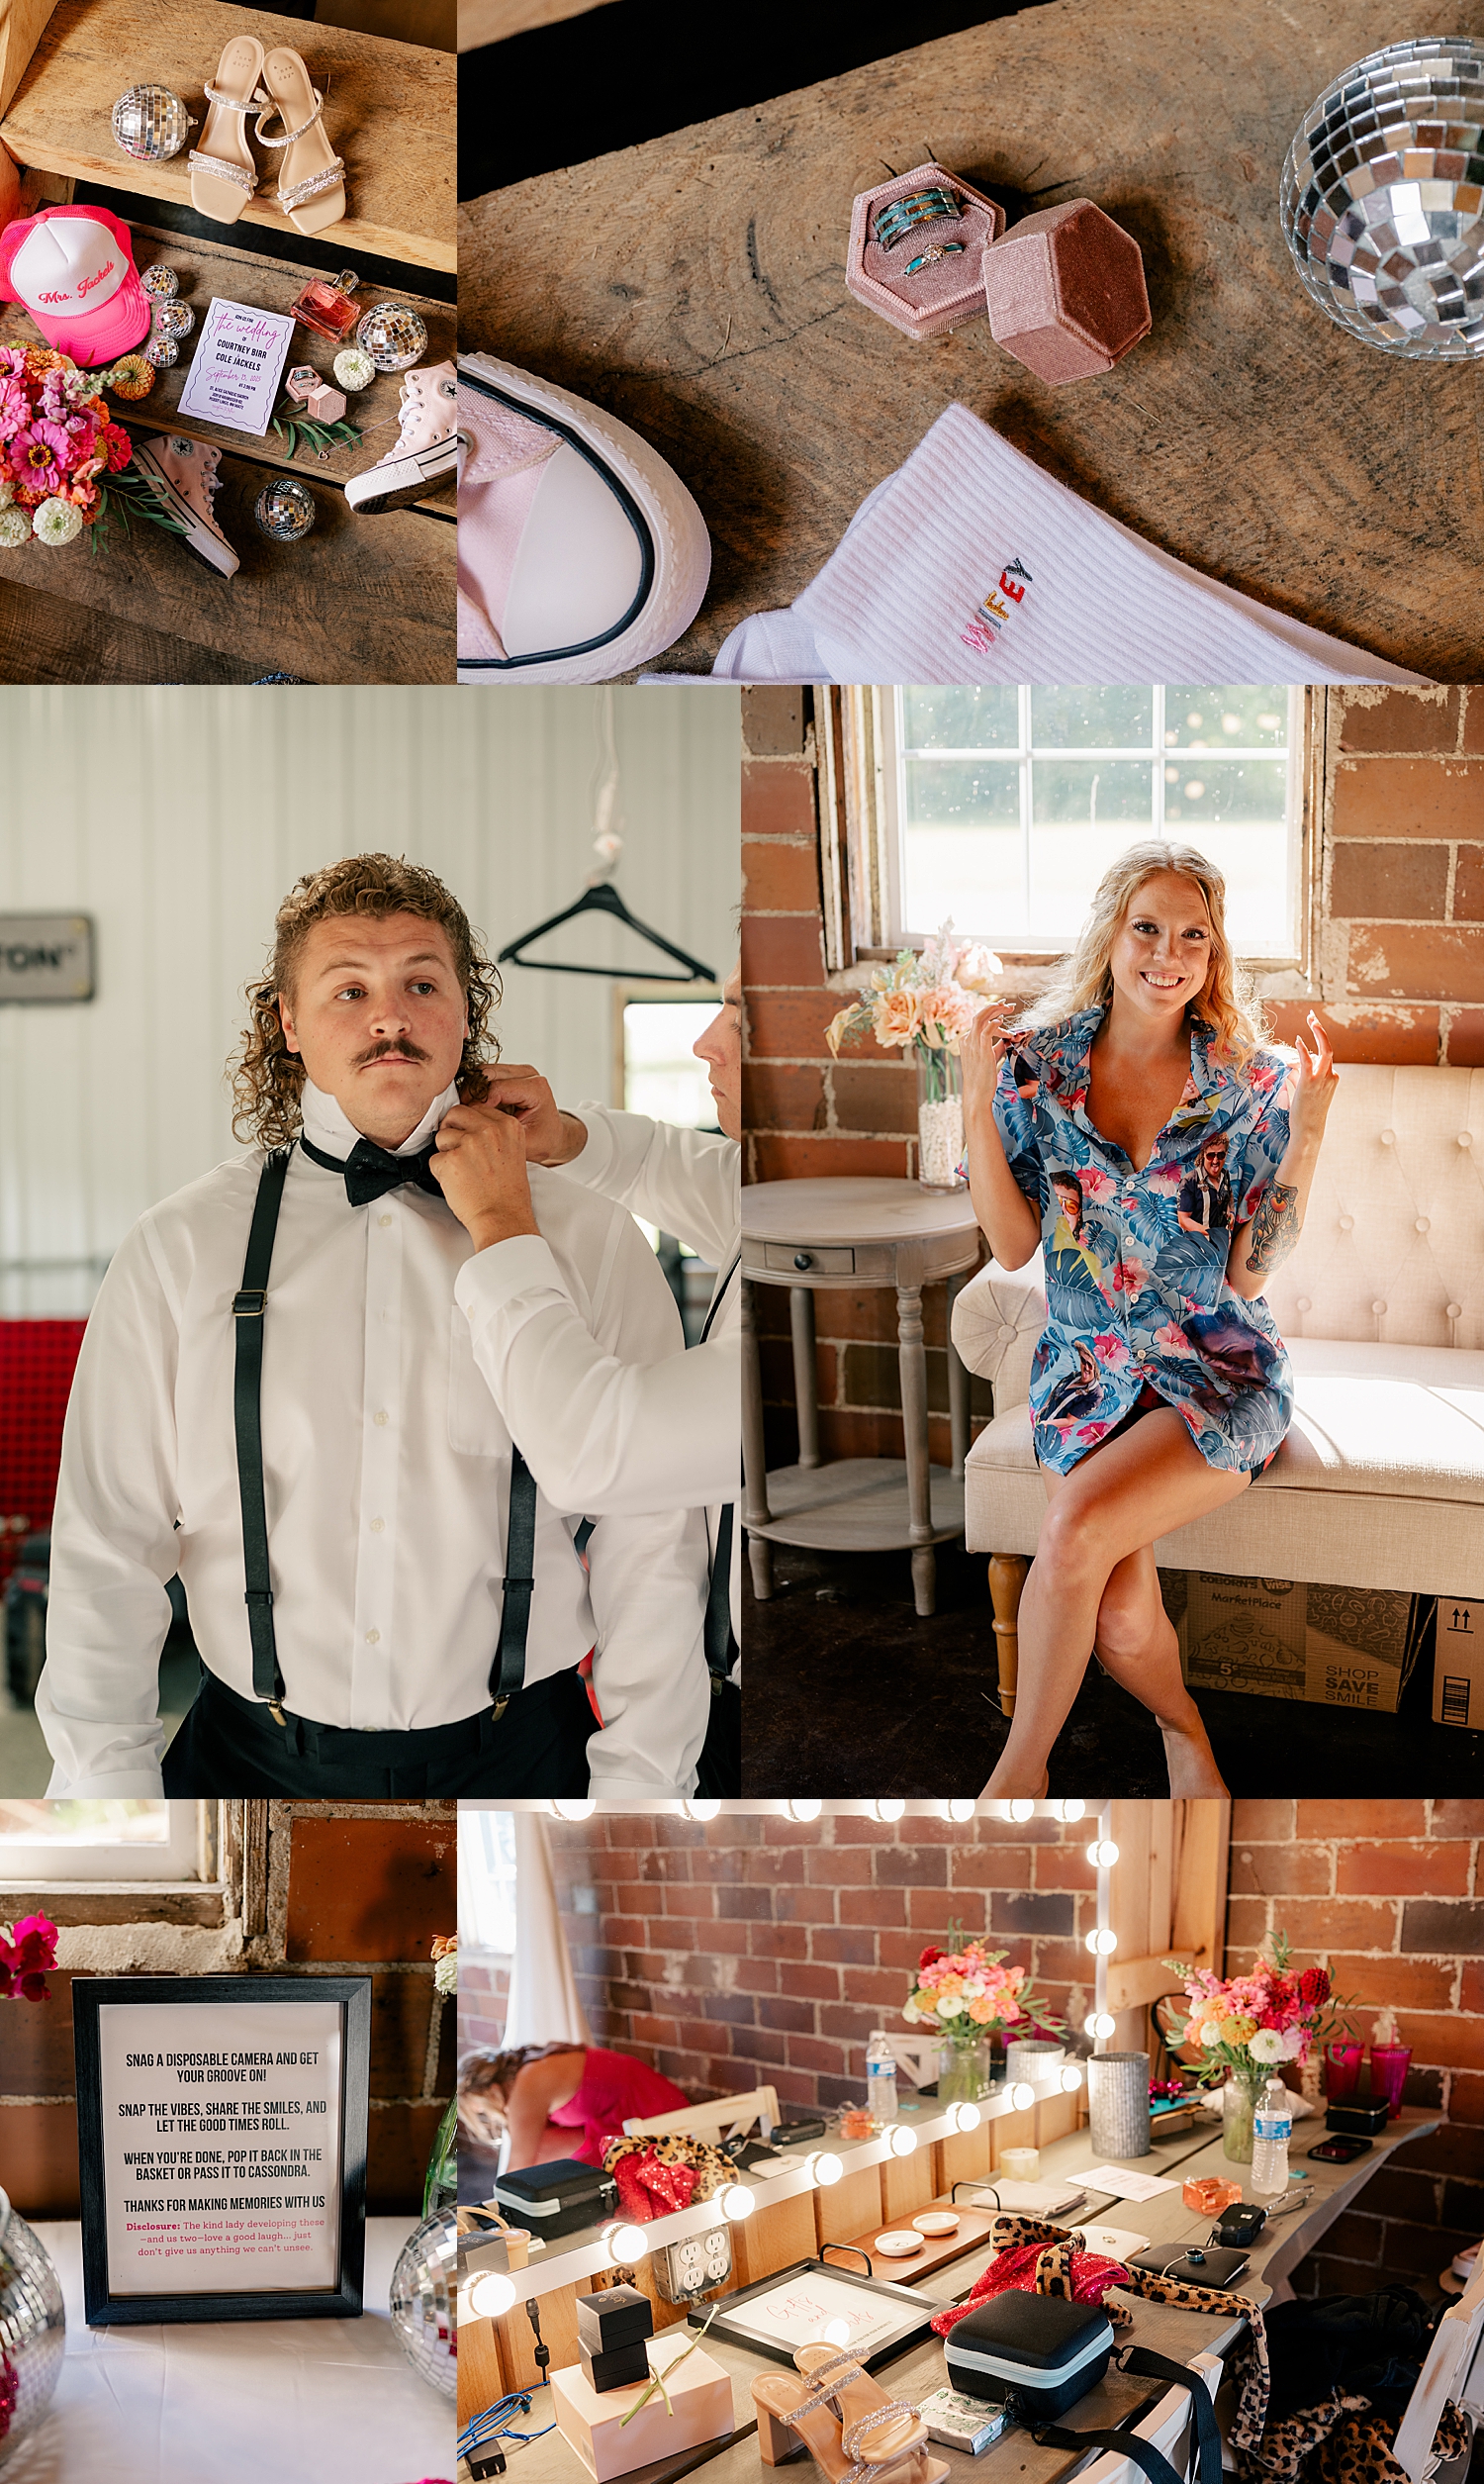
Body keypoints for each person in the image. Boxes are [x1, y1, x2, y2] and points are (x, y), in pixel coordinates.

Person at [37, 853, 710, 1799]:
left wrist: (643, 1793)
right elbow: (107, 1541)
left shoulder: (590, 1236)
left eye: (420, 983)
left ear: (465, 1012)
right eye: (349, 989)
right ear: (287, 1021)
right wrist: (108, 1808)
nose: (388, 1016)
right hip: (245, 1766)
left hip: (528, 1760)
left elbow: (654, 1541)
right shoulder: (179, 1248)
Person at [960, 838, 1338, 1798]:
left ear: (1214, 958)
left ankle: (1017, 1778)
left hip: (1215, 1374)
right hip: (1086, 1376)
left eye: (1193, 936)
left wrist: (1311, 1132)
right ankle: (1184, 1730)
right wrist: (973, 1098)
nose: (1167, 953)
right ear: (1111, 933)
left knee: (1078, 1529)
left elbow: (1250, 1274)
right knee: (1125, 1616)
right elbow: (1011, 1248)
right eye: (1148, 927)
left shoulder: (1248, 1085)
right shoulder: (1036, 1071)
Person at [423, 967, 741, 1782]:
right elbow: (663, 1163)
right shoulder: (762, 1189)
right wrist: (564, 1135)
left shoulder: (589, 1243)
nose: (706, 1040)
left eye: (738, 1013)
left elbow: (606, 1463)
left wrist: (500, 1224)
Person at [458, 2043, 692, 2170]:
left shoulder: (528, 2086)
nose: (490, 2114)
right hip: (619, 2120)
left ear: (492, 2091)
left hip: (647, 2112)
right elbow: (555, 2145)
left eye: (483, 2109)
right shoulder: (531, 2072)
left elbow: (519, 2164)